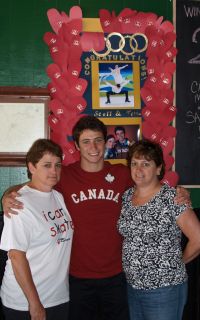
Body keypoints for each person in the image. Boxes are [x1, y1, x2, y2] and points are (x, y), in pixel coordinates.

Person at [2, 116, 191, 320]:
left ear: (106, 142)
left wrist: (179, 192)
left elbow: (151, 182)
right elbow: (34, 188)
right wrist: (8, 195)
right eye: (86, 141)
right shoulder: (62, 175)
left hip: (117, 277)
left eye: (98, 140)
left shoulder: (122, 173)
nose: (93, 147)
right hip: (76, 279)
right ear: (76, 145)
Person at [117, 140, 200, 320]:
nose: (138, 170)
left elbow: (198, 238)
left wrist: (178, 262)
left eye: (146, 164)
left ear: (158, 168)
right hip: (132, 287)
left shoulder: (172, 198)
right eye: (134, 163)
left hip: (164, 289)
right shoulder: (127, 196)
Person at [0, 139, 73, 320]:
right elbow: (16, 256)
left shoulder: (57, 196)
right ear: (32, 167)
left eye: (57, 165)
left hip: (57, 296)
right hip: (25, 302)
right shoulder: (19, 203)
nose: (54, 171)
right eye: (47, 165)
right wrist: (34, 303)